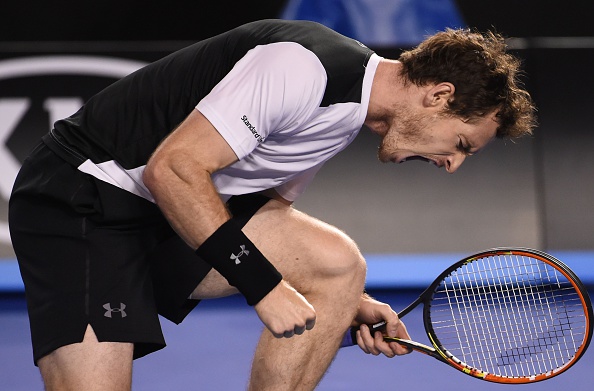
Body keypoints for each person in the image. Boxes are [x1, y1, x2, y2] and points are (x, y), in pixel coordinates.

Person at [9, 19, 535, 390]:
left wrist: (346, 300)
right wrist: (264, 286)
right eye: (462, 144)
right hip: (82, 200)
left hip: (163, 214)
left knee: (337, 265)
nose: (453, 164)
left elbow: (263, 210)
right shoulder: (302, 67)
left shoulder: (349, 116)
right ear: (439, 96)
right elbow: (173, 169)